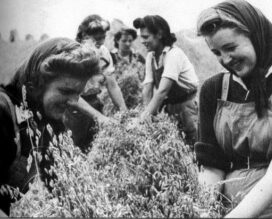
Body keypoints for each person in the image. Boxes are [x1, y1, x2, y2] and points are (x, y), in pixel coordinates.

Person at [195, 0, 272, 217]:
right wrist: (203, 210)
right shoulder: (213, 89)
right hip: (230, 206)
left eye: (230, 48)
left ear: (256, 36)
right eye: (216, 53)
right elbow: (212, 166)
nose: (225, 60)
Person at [0, 37, 100, 216]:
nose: (74, 102)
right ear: (36, 85)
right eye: (66, 91)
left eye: (78, 93)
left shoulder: (49, 121)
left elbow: (62, 186)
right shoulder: (3, 111)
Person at [133, 15, 199, 146]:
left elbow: (162, 90)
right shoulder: (150, 57)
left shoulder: (173, 54)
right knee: (175, 144)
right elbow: (147, 88)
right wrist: (147, 115)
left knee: (193, 143)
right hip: (169, 106)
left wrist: (143, 118)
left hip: (186, 105)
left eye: (146, 37)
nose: (142, 41)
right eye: (141, 37)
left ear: (159, 34)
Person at [65, 15, 127, 148]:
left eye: (103, 37)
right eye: (96, 38)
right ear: (83, 36)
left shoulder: (104, 52)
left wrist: (125, 113)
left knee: (95, 147)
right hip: (75, 109)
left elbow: (112, 85)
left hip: (94, 102)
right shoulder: (74, 54)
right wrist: (99, 117)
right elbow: (72, 96)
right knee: (75, 149)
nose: (100, 42)